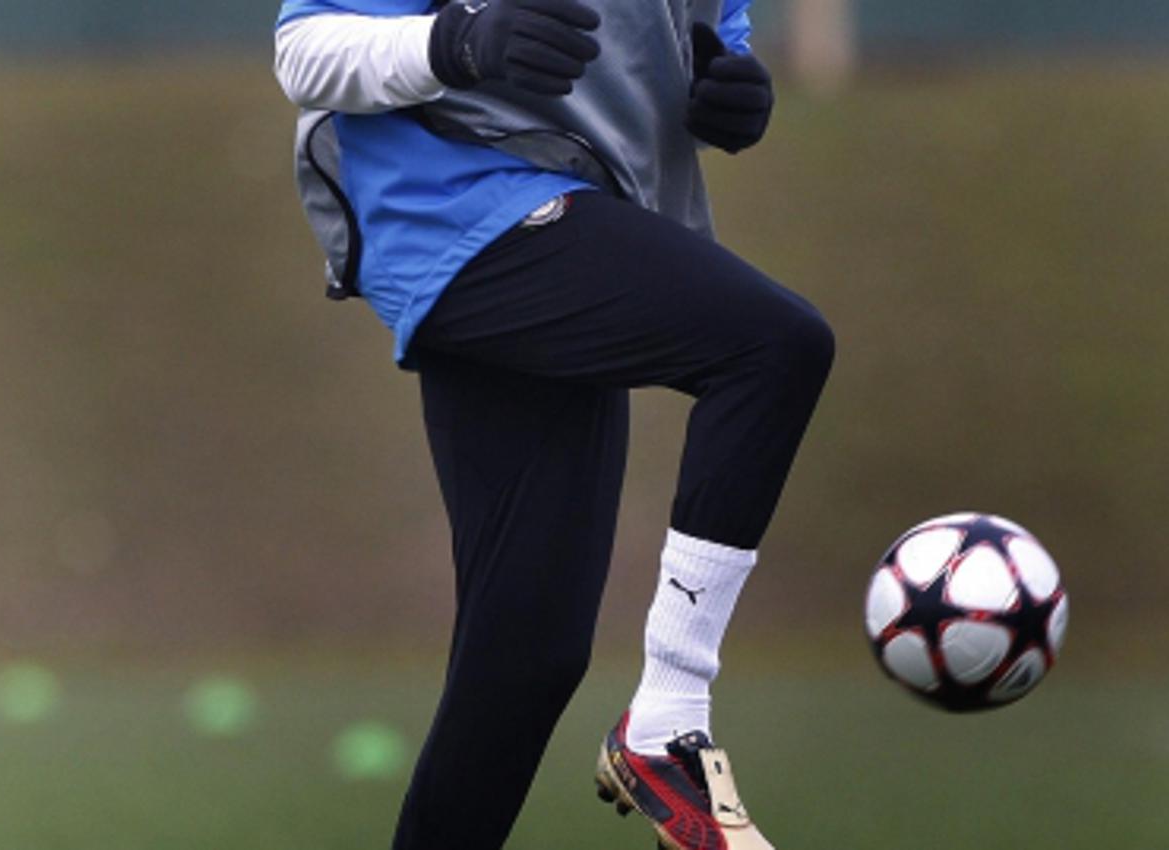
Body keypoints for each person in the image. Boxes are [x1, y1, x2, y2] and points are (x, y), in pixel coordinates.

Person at [273, 1, 834, 847]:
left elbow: (711, 37)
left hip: (574, 212)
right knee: (773, 347)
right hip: (452, 207)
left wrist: (731, 91)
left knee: (526, 660)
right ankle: (667, 723)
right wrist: (454, 42)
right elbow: (304, 51)